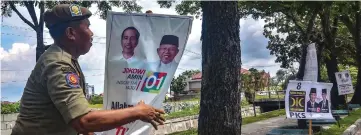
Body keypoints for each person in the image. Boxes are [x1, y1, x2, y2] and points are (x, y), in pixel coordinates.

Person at [11, 4, 165, 135]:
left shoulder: (66, 59)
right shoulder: (58, 64)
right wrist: (138, 112)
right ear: (71, 33)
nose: (92, 34)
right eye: (88, 27)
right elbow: (84, 121)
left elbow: (80, 120)